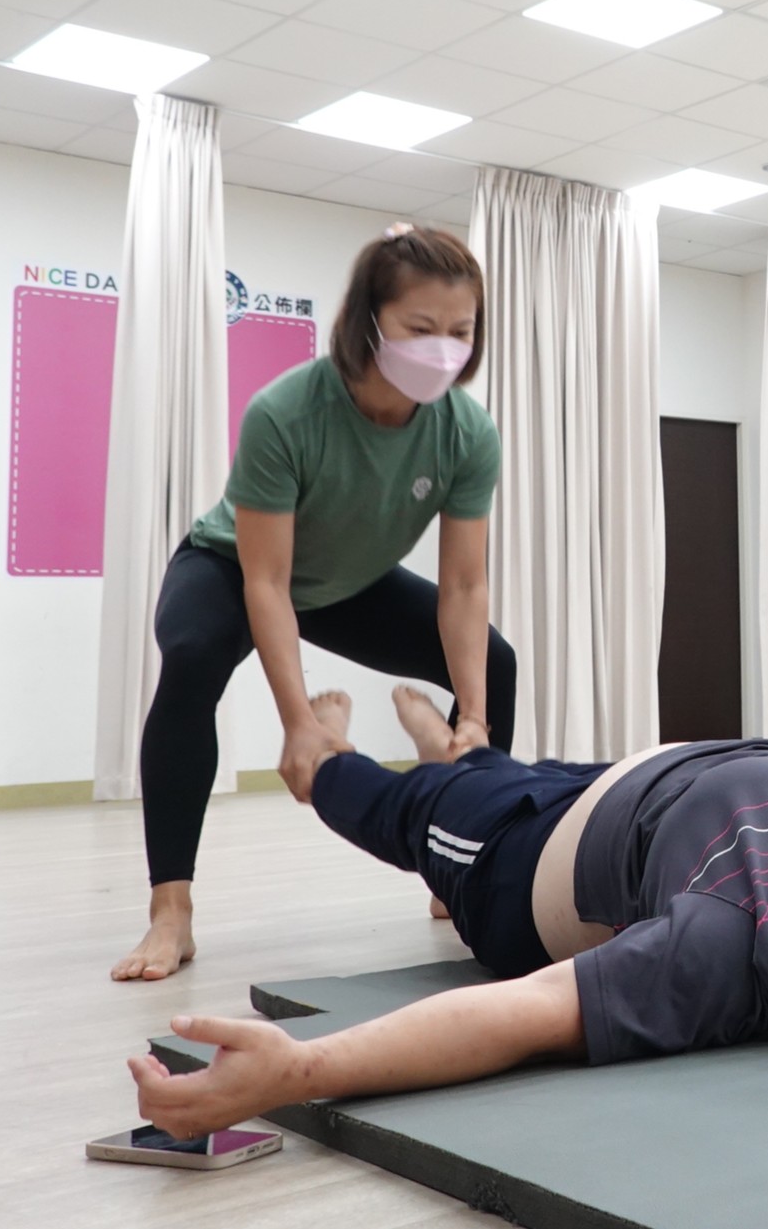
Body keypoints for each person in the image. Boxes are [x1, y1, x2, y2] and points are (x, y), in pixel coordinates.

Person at [129, 687, 768, 1140]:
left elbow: (525, 1013)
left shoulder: (741, 941)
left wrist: (300, 1071)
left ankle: (324, 752)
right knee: (482, 766)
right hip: (643, 781)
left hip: (521, 853)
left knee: (399, 803)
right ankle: (458, 748)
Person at [113, 227, 515, 983]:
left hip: (349, 579)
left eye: (459, 331)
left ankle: (459, 866)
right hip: (233, 565)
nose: (441, 349)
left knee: (493, 663)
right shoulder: (288, 411)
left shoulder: (468, 434)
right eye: (419, 328)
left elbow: (464, 586)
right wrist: (299, 723)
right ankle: (172, 911)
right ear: (369, 320)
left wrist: (475, 722)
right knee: (192, 657)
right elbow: (266, 583)